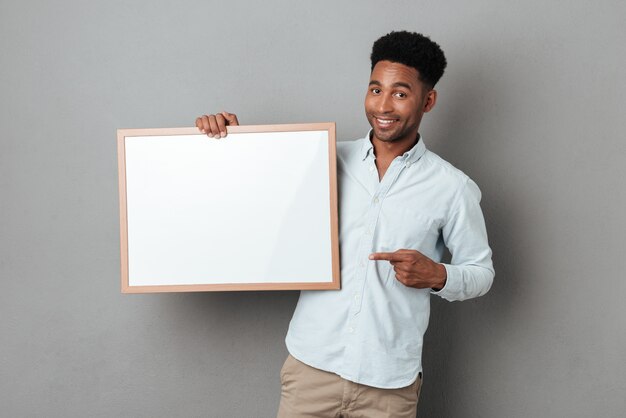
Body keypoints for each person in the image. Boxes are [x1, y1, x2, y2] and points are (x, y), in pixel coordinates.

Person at [196, 31, 494, 418]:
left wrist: (437, 274)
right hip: (311, 371)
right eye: (375, 89)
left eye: (400, 93)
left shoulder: (453, 188)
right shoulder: (322, 159)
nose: (383, 105)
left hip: (389, 385)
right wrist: (231, 140)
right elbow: (252, 199)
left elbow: (481, 272)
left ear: (428, 100)